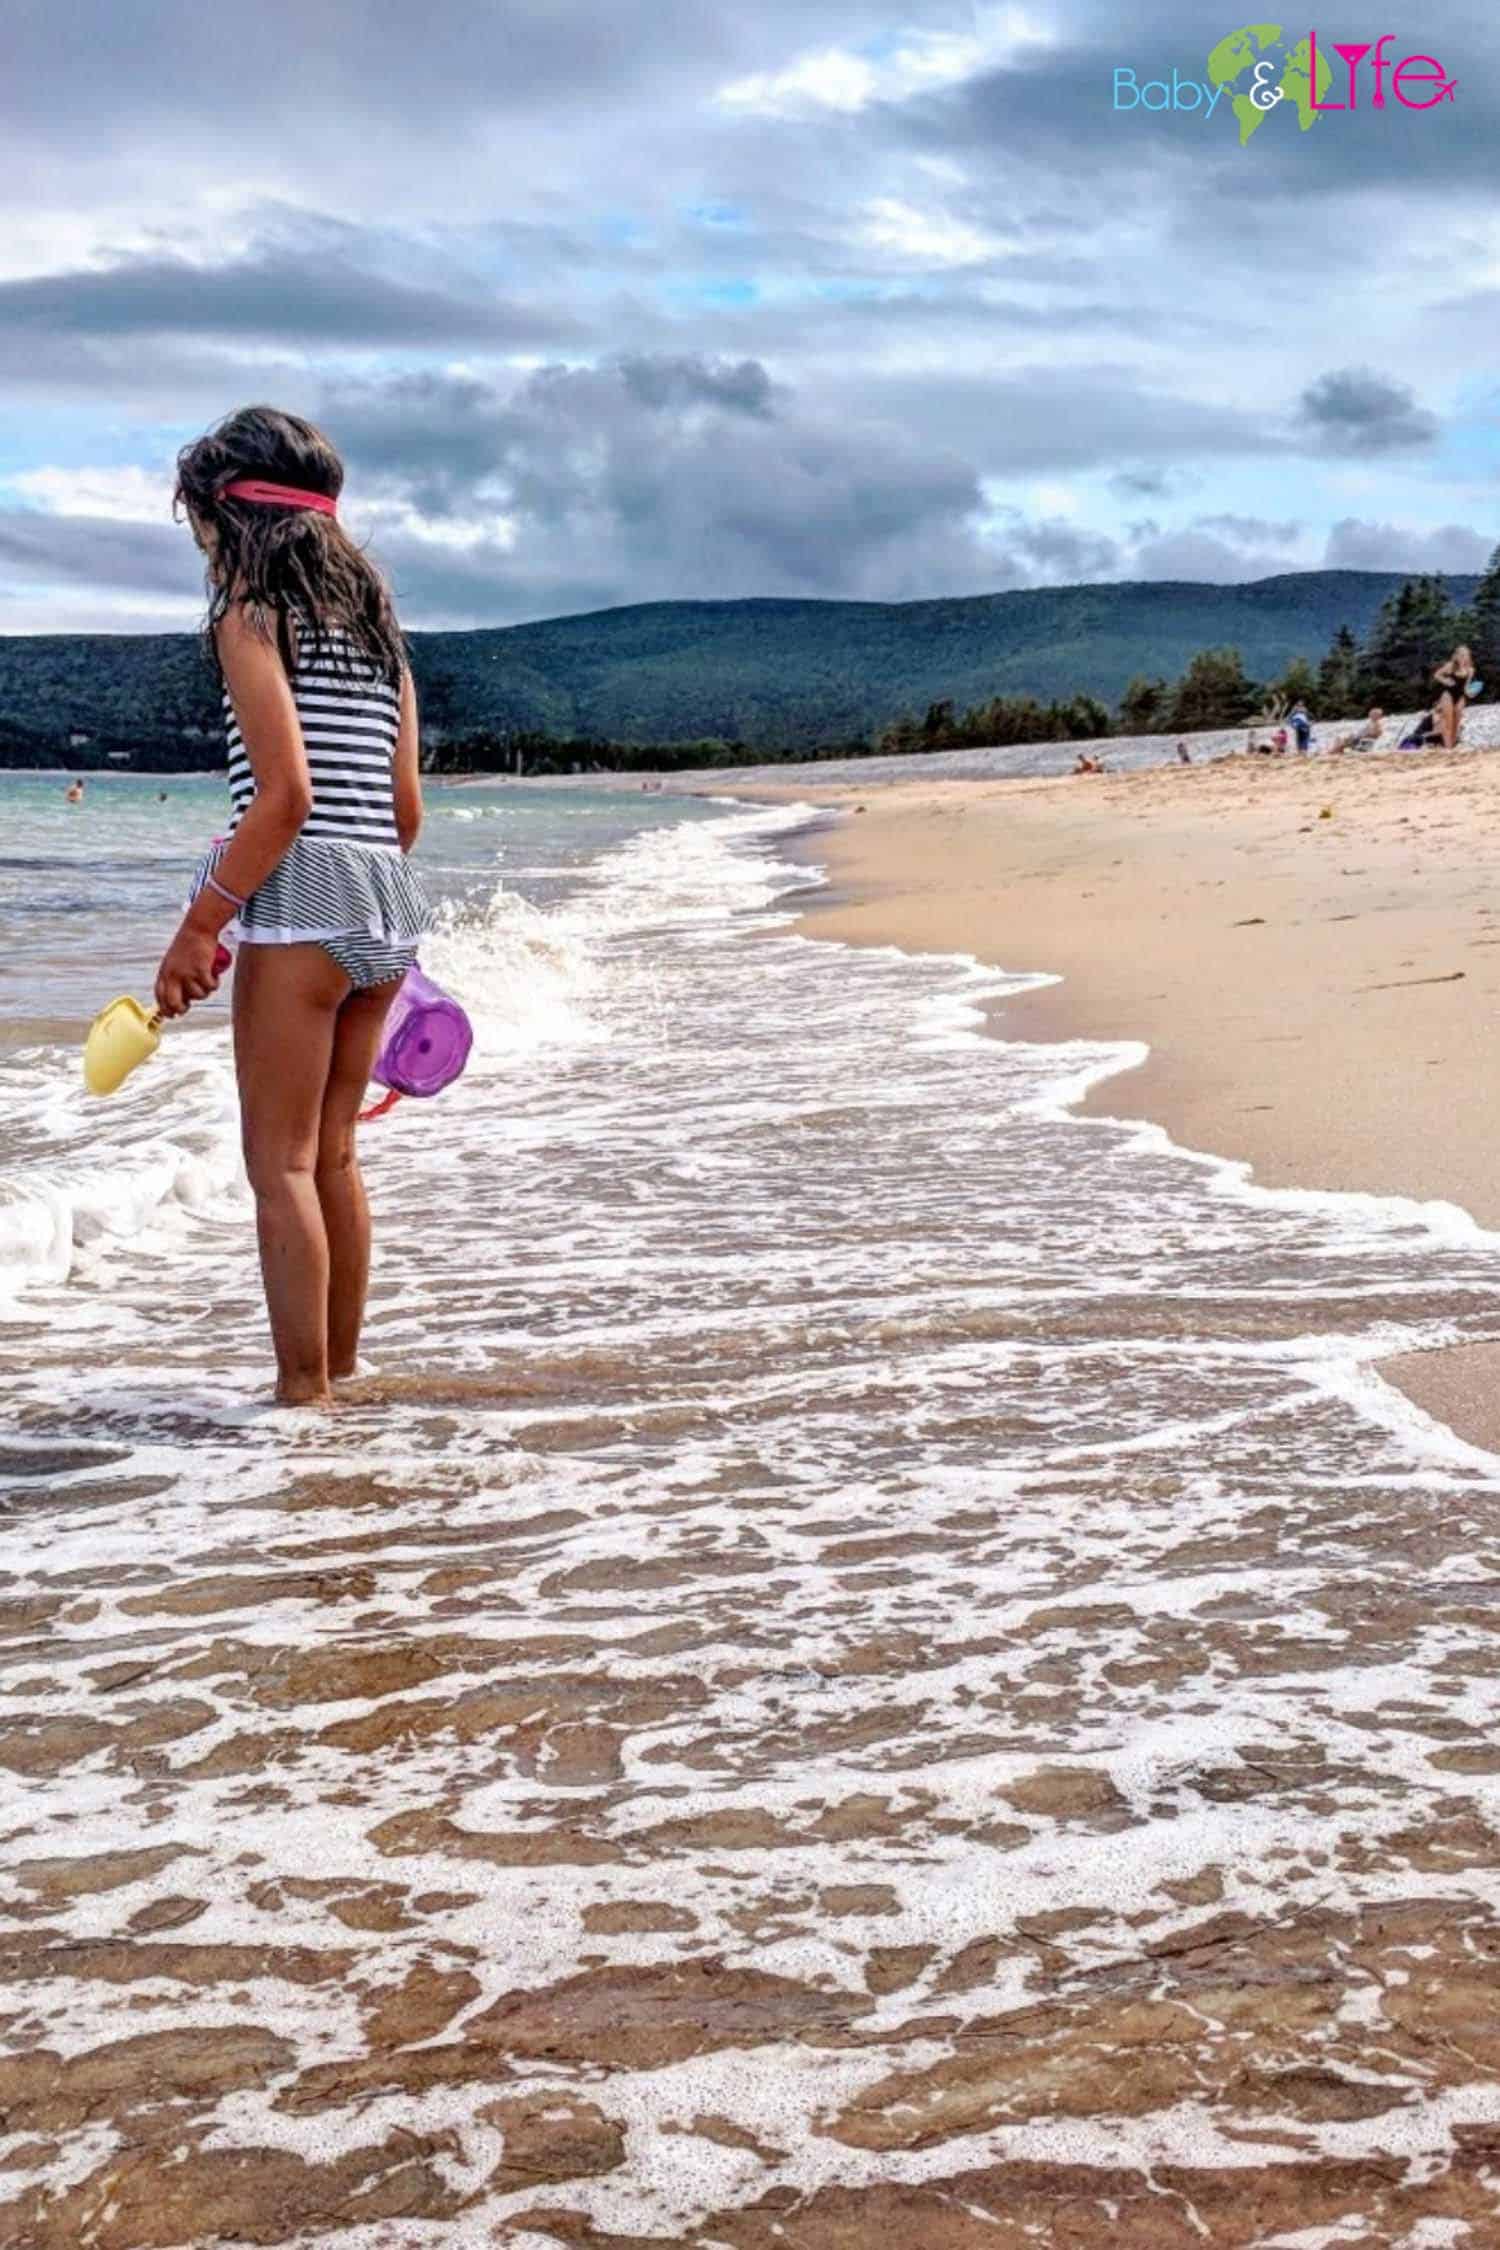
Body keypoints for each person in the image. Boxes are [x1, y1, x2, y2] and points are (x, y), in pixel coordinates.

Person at [153, 405, 433, 1407]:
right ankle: (341, 1380)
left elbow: (285, 796)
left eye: (200, 527)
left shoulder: (247, 612)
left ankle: (300, 1399)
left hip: (305, 903)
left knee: (279, 1165)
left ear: (230, 517)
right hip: (387, 905)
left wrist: (201, 925)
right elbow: (404, 812)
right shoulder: (381, 638)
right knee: (337, 1155)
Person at [1432, 646, 1475, 750]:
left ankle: (1452, 744)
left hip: (1460, 695)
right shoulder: (1450, 666)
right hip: (1448, 694)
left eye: (1465, 655)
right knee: (1448, 721)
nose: (1463, 658)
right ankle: (1448, 748)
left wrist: (1469, 693)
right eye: (1461, 655)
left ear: (1468, 657)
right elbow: (1437, 675)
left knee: (1457, 721)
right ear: (1456, 656)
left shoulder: (1470, 670)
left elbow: (1466, 687)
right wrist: (1445, 681)